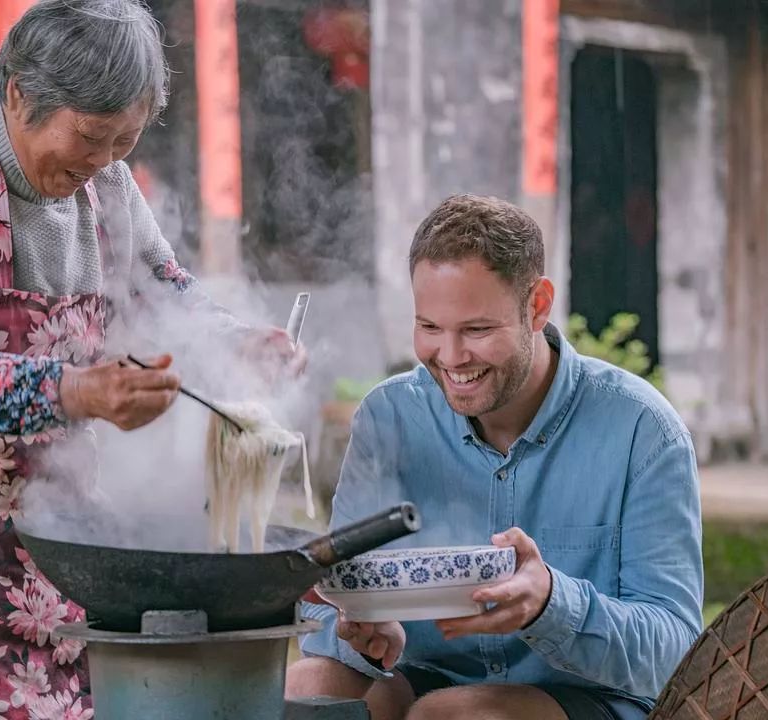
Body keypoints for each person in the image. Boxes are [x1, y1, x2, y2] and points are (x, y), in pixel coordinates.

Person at [0, 2, 303, 717]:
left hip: (54, 520)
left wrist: (237, 341)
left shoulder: (108, 186)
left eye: (124, 140)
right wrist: (78, 392)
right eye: (91, 136)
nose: (102, 162)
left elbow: (165, 291)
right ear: (18, 93)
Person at [287, 194, 702, 720]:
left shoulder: (643, 430)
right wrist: (363, 631)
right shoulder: (390, 416)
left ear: (537, 306)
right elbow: (334, 604)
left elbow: (676, 650)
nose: (451, 357)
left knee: (454, 716)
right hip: (422, 675)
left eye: (477, 330)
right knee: (305, 688)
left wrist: (551, 603)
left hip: (588, 696)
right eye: (430, 328)